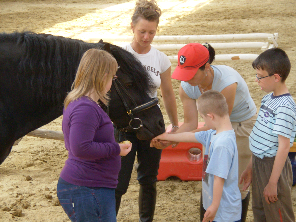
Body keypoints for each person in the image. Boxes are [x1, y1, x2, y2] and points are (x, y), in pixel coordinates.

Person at [153, 42, 256, 221]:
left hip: (241, 123)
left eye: (191, 74)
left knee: (236, 181)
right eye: (183, 73)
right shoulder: (186, 86)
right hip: (215, 124)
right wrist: (170, 139)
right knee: (211, 176)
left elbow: (218, 124)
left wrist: (177, 137)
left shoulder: (227, 83)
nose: (186, 79)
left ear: (206, 67)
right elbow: (192, 122)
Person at [115, 0, 179, 221]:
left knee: (149, 179)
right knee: (119, 181)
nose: (146, 37)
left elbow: (168, 93)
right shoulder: (117, 56)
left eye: (151, 32)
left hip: (152, 125)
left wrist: (175, 126)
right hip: (125, 125)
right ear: (132, 27)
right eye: (142, 31)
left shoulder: (160, 59)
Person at [56, 48, 132, 222]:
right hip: (88, 187)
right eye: (112, 78)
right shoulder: (86, 108)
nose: (112, 83)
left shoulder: (81, 103)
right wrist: (116, 149)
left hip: (90, 186)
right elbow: (81, 148)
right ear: (103, 76)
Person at [152, 90, 242, 222]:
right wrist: (166, 137)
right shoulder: (214, 133)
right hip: (217, 207)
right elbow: (190, 136)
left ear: (210, 116)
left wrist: (214, 206)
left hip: (223, 212)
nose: (203, 121)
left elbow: (219, 178)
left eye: (203, 117)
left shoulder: (222, 144)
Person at [240, 48, 296, 222]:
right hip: (259, 163)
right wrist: (251, 166)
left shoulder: (285, 106)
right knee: (261, 211)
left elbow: (284, 146)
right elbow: (260, 139)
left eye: (260, 76)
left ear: (276, 77)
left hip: (273, 167)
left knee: (277, 214)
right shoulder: (268, 99)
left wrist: (273, 182)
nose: (256, 80)